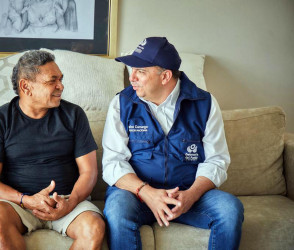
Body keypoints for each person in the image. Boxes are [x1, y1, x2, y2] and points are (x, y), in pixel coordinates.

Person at [102, 37, 244, 250]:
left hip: (187, 195)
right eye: (132, 70)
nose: (132, 78)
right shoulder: (121, 104)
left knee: (230, 209)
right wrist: (147, 192)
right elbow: (113, 162)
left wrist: (191, 196)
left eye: (141, 71)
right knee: (116, 208)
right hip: (137, 195)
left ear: (165, 76)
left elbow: (217, 161)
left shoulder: (205, 104)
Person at [0, 50, 105, 250]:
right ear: (26, 86)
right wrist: (27, 200)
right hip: (19, 204)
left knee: (94, 227)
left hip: (68, 201)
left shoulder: (74, 115)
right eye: (52, 81)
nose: (61, 86)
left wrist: (70, 203)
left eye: (61, 79)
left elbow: (89, 172)